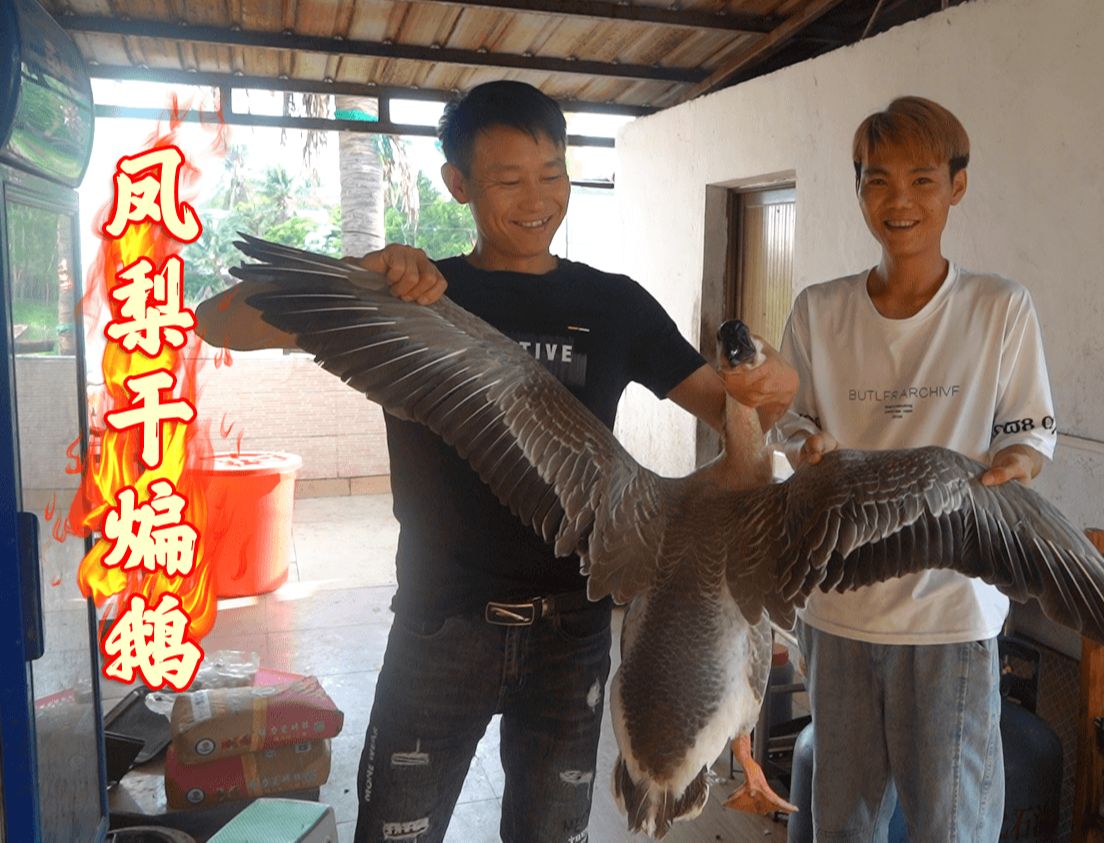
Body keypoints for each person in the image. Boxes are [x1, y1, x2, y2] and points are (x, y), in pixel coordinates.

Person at [195, 80, 797, 843]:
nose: (537, 198)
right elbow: (218, 322)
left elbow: (734, 412)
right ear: (458, 184)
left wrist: (775, 387)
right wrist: (363, 275)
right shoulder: (418, 297)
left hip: (571, 631)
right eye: (509, 180)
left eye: (552, 174)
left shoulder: (613, 304)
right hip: (442, 624)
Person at [776, 96, 1057, 842]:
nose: (899, 201)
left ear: (956, 186)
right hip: (836, 610)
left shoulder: (1000, 308)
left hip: (947, 612)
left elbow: (1028, 433)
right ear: (859, 186)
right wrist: (805, 447)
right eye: (878, 180)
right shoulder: (818, 310)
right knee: (843, 822)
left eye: (923, 180)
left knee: (950, 826)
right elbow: (791, 418)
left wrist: (1016, 463)